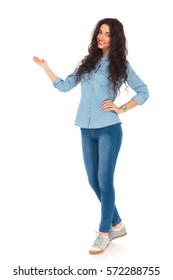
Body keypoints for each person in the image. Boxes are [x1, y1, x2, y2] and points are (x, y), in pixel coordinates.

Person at [33, 18, 149, 255]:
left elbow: (144, 91)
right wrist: (46, 68)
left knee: (105, 181)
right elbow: (64, 86)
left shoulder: (120, 65)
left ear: (115, 38)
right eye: (99, 32)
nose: (101, 37)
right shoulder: (88, 63)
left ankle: (104, 233)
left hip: (109, 130)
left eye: (107, 34)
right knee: (94, 182)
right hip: (86, 131)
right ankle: (117, 224)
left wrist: (121, 108)